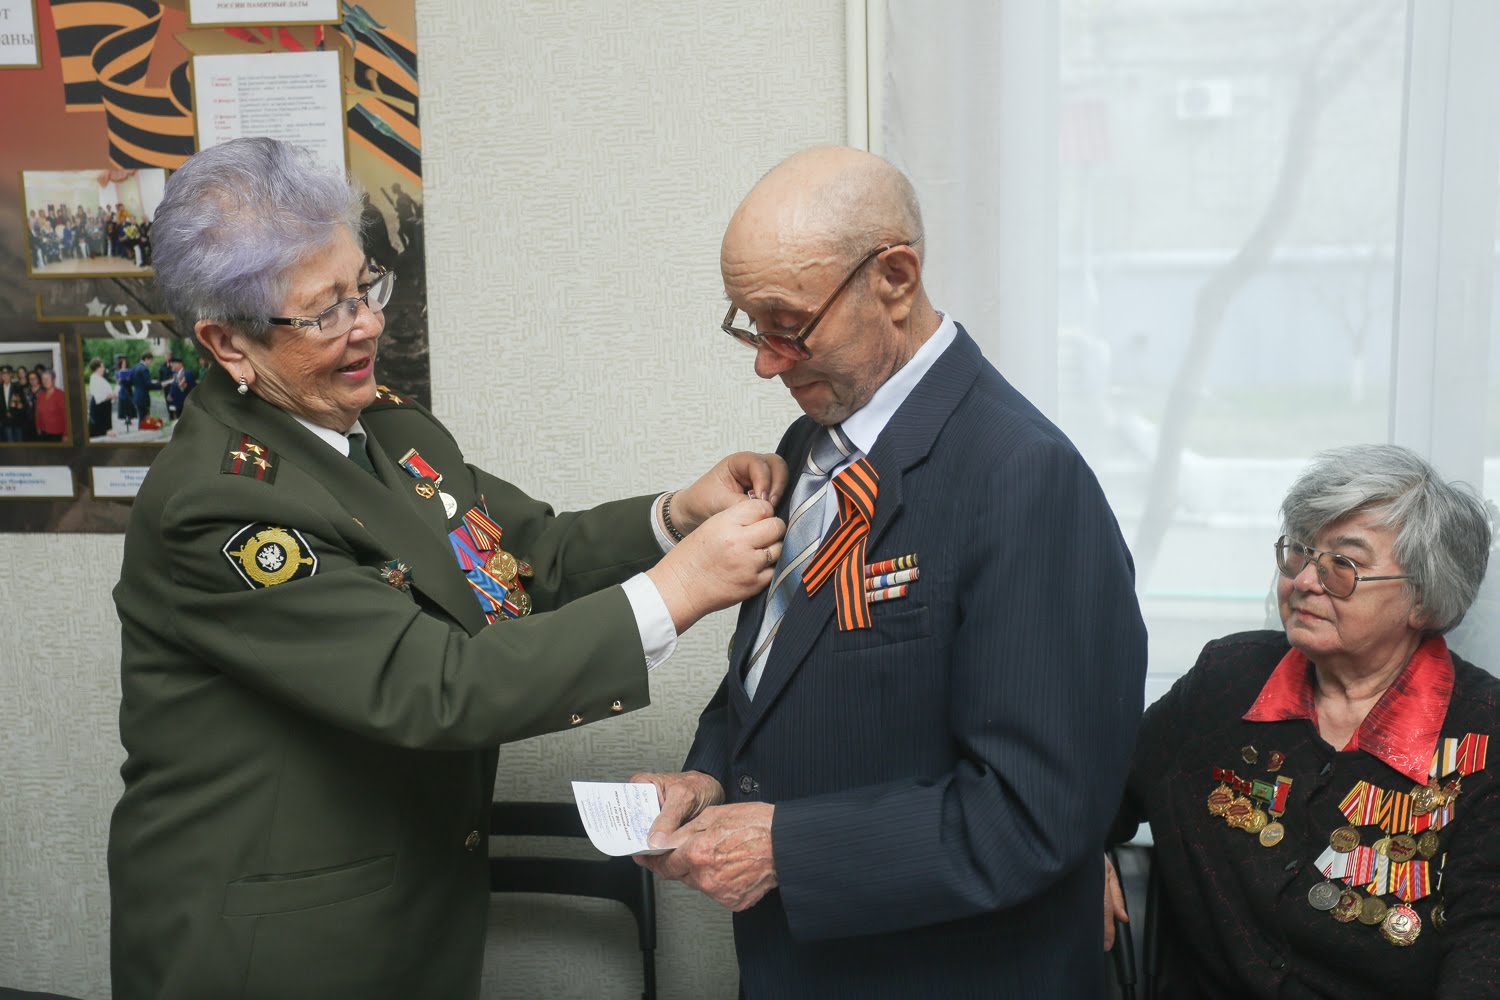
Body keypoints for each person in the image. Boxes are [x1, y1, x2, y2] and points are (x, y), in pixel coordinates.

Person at [108, 136, 788, 1000]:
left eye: (364, 287)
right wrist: (678, 590)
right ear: (228, 344)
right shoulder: (219, 505)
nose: (365, 325)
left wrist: (674, 516)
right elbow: (431, 686)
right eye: (324, 313)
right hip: (274, 948)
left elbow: (519, 559)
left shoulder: (385, 426)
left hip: (410, 918)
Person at [632, 146, 1148, 998]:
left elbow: (1037, 812)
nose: (766, 360)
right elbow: (777, 670)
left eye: (788, 324)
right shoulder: (814, 444)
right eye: (749, 325)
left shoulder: (1024, 477)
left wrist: (785, 849)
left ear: (896, 280)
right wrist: (709, 775)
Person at [1108, 444, 1497, 997]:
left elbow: (1485, 943)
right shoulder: (1228, 680)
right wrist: (1081, 861)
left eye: (1344, 565)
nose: (1306, 581)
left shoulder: (1485, 734)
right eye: (1300, 551)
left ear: (1425, 601)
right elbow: (1100, 789)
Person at [32, 369, 67, 442]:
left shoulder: (61, 395)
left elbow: (66, 416)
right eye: (43, 379)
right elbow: (37, 414)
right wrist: (38, 427)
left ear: (53, 379)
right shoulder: (40, 395)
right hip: (43, 432)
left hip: (57, 434)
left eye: (48, 378)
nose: (45, 381)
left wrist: (66, 434)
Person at [87, 358, 116, 438]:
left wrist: (112, 395)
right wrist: (111, 395)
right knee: (98, 432)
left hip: (104, 407)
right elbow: (99, 398)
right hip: (99, 408)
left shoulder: (99, 378)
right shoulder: (95, 379)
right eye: (102, 366)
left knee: (105, 431)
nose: (104, 368)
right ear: (98, 368)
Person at [162, 355, 195, 420]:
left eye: (173, 363)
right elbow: (174, 385)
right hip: (177, 404)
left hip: (184, 405)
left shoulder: (186, 373)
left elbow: (183, 387)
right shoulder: (175, 374)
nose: (171, 365)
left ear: (179, 364)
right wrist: (170, 394)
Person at [0, 365, 24, 443]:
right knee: (10, 442)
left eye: (7, 374)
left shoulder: (17, 387)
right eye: (3, 374)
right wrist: (5, 414)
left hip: (17, 419)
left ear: (11, 375)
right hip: (5, 420)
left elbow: (21, 404)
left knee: (19, 442)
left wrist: (12, 413)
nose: (5, 377)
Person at [128, 351, 153, 422]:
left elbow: (130, 382)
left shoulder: (134, 367)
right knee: (145, 420)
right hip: (143, 398)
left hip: (137, 397)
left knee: (141, 419)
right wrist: (160, 385)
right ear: (146, 359)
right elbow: (148, 384)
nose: (151, 363)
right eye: (150, 360)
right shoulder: (144, 369)